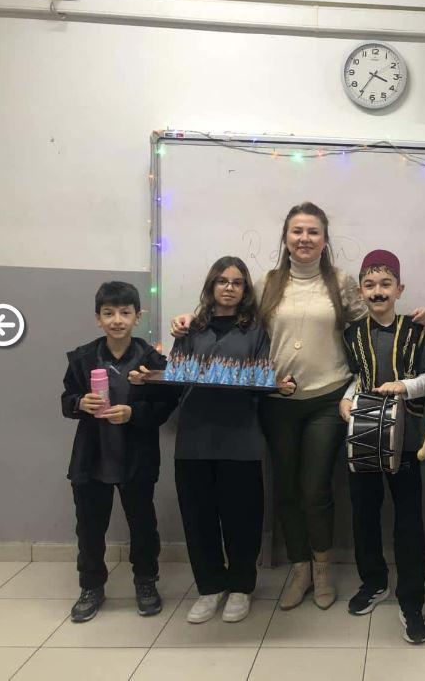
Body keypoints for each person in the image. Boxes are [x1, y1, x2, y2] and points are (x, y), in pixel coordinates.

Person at [169, 203, 425, 613]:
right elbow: (229, 313)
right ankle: (300, 568)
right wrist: (190, 317)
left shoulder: (341, 282)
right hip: (277, 402)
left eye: (312, 232)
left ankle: (322, 569)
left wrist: (420, 318)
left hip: (328, 398)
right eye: (297, 231)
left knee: (314, 488)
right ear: (286, 238)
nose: (304, 238)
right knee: (286, 491)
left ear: (324, 240)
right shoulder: (267, 284)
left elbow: (377, 316)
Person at [137, 257, 292, 624]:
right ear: (211, 286)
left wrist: (280, 386)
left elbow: (262, 378)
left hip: (241, 438)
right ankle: (209, 587)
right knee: (198, 517)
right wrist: (148, 378)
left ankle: (241, 587)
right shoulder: (190, 329)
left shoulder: (256, 330)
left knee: (242, 517)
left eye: (237, 282)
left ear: (245, 290)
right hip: (195, 438)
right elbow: (176, 376)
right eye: (222, 281)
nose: (229, 288)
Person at [61, 281, 173, 623]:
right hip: (92, 458)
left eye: (125, 313)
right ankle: (91, 586)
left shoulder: (152, 360)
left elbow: (166, 405)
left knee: (143, 524)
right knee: (89, 527)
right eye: (108, 313)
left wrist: (134, 413)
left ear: (137, 316)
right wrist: (80, 402)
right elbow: (66, 400)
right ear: (98, 318)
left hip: (135, 457)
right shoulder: (83, 357)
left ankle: (146, 581)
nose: (117, 320)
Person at [339, 249, 425, 643]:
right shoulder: (352, 334)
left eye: (385, 284)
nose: (378, 291)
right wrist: (346, 399)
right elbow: (356, 377)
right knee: (364, 514)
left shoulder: (419, 330)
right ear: (361, 291)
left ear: (399, 288)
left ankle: (412, 600)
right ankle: (373, 582)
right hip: (363, 437)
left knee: (409, 522)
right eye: (370, 285)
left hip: (406, 441)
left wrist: (403, 386)